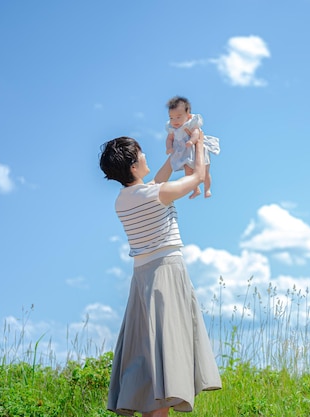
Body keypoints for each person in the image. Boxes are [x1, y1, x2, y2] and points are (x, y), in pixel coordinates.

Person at [99, 134, 222, 417]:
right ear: (132, 165)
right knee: (166, 358)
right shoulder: (156, 194)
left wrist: (176, 155)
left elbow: (155, 184)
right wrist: (199, 145)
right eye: (140, 154)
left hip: (142, 280)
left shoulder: (123, 200)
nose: (145, 156)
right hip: (167, 274)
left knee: (150, 364)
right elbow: (198, 176)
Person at [164, 96, 220, 199]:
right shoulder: (172, 128)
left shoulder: (191, 123)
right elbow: (169, 139)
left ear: (188, 116)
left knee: (205, 172)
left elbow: (196, 133)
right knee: (188, 172)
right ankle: (195, 189)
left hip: (197, 149)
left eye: (178, 117)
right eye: (171, 117)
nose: (174, 120)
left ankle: (207, 189)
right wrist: (169, 147)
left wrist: (191, 140)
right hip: (186, 152)